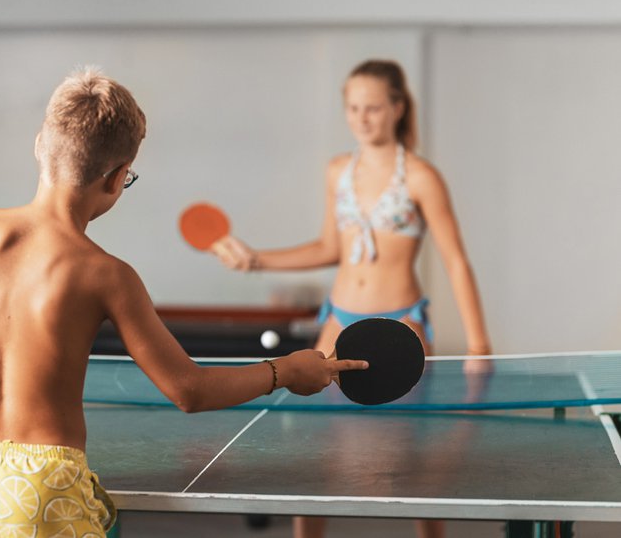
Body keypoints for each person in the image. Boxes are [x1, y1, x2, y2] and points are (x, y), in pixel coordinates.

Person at [0, 68, 369, 538]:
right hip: (44, 482)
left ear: (38, 147)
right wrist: (283, 372)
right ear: (116, 177)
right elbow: (189, 390)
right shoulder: (107, 273)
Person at [211, 59, 492, 538]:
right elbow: (329, 248)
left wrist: (479, 346)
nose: (362, 118)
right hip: (337, 321)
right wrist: (258, 260)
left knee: (415, 454)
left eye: (374, 108)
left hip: (402, 324)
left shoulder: (422, 177)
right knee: (316, 448)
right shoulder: (337, 171)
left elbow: (456, 262)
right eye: (354, 108)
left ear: (398, 108)